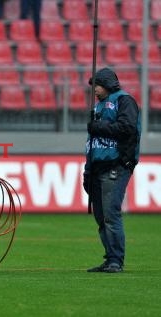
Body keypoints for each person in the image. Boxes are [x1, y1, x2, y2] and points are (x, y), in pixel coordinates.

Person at [84, 67, 141, 273]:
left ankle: (116, 260)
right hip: (97, 167)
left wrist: (97, 127)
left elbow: (127, 129)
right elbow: (92, 143)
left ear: (108, 83)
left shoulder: (125, 101)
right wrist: (87, 170)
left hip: (116, 165)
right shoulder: (98, 107)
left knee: (110, 214)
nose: (95, 90)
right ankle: (110, 258)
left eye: (97, 85)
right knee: (101, 217)